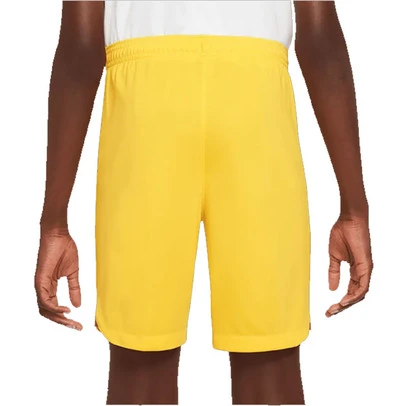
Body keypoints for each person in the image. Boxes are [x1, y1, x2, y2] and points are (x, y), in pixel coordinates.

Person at [34, 1, 373, 404]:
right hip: (255, 100)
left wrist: (54, 222)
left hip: (146, 105)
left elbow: (80, 44)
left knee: (140, 364)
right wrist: (354, 209)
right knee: (270, 360)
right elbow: (320, 39)